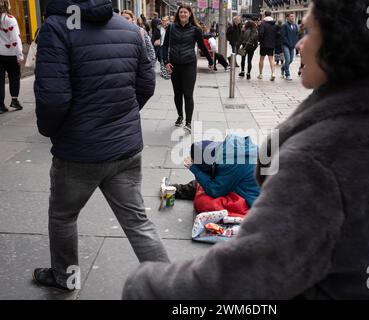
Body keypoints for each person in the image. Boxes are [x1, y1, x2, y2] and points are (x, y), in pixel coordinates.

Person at [122, 0, 369, 300]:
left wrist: (147, 286)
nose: (299, 44)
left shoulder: (320, 160)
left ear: (341, 43)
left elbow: (245, 275)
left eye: (308, 32)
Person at [32, 0, 169, 291]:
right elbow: (146, 86)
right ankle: (171, 284)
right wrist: (121, 117)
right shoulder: (130, 30)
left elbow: (53, 99)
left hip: (79, 151)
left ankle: (64, 277)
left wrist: (51, 130)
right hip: (125, 148)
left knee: (63, 216)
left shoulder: (56, 27)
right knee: (138, 221)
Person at [161, 4, 214, 134]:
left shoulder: (196, 29)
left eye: (185, 12)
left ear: (190, 14)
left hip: (189, 65)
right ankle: (180, 115)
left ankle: (188, 122)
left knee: (188, 94)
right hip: (174, 65)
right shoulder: (171, 28)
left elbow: (202, 46)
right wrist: (166, 62)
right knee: (177, 94)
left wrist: (210, 60)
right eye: (181, 12)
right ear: (178, 14)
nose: (183, 14)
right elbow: (164, 46)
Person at [171, 135, 260, 211]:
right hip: (252, 186)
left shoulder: (232, 164)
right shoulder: (228, 146)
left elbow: (215, 190)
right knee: (206, 181)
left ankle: (175, 190)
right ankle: (174, 189)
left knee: (203, 202)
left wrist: (194, 169)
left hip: (254, 199)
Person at [0, 0, 23, 114]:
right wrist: (19, 55)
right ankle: (14, 101)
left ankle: (0, 105)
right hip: (10, 54)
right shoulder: (10, 19)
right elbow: (15, 39)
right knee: (14, 77)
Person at [258, 10, 279, 81]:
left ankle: (260, 74)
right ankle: (273, 73)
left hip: (264, 44)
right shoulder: (275, 24)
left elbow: (261, 33)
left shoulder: (263, 24)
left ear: (264, 15)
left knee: (261, 59)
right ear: (271, 15)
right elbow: (277, 34)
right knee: (271, 59)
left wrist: (260, 41)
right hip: (271, 44)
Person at [281, 12, 299, 80]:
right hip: (286, 45)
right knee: (288, 59)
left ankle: (283, 68)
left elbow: (296, 35)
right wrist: (288, 43)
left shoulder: (295, 25)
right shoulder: (284, 25)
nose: (293, 17)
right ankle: (287, 74)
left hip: (292, 46)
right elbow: (283, 36)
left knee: (290, 60)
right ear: (287, 17)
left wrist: (295, 43)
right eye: (291, 16)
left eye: (293, 16)